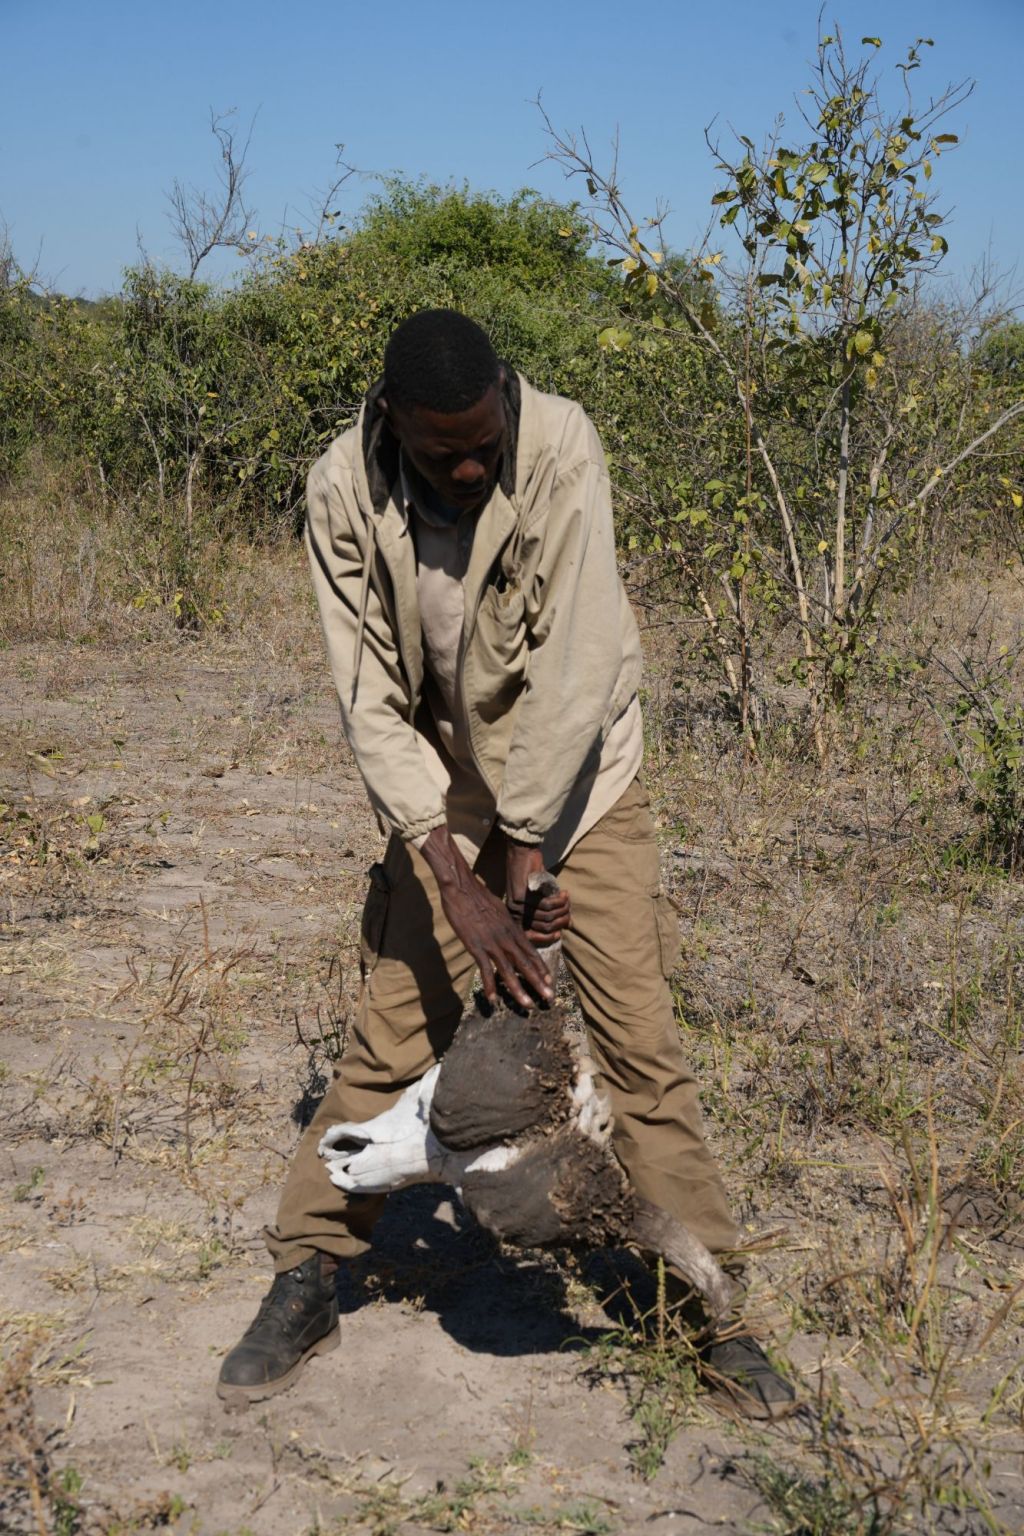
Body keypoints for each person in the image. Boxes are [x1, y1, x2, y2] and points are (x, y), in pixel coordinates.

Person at [217, 309, 794, 1419]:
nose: (472, 467)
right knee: (391, 1037)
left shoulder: (562, 443)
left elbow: (578, 660)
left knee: (635, 1046)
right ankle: (308, 1273)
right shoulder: (340, 486)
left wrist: (525, 856)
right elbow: (369, 699)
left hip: (583, 778)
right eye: (446, 453)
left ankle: (709, 1307)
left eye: (485, 443)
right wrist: (454, 879)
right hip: (444, 789)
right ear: (393, 421)